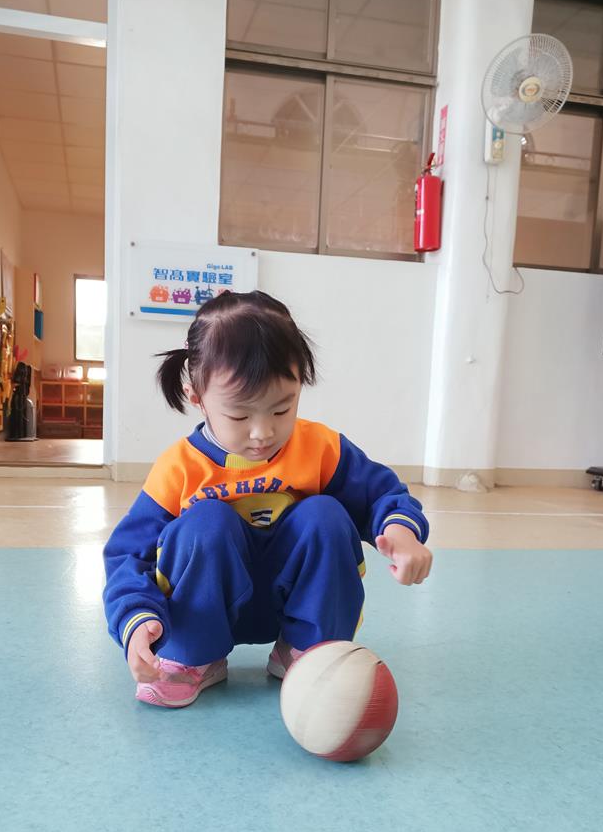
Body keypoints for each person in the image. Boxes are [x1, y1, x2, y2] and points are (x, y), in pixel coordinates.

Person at [103, 290, 433, 708]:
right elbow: (127, 554)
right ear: (197, 397)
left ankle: (309, 650)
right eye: (239, 415)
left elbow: (380, 492)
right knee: (206, 522)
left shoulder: (320, 448)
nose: (263, 433)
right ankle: (192, 658)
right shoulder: (179, 468)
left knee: (325, 515)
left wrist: (401, 531)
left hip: (296, 601)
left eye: (281, 409)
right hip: (204, 611)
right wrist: (136, 619)